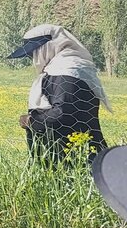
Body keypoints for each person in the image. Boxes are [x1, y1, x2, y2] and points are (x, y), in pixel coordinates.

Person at [9, 24, 109, 161]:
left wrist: (31, 121)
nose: (34, 58)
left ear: (48, 47)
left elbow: (63, 112)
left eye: (34, 52)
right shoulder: (70, 68)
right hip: (76, 151)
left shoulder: (65, 72)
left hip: (67, 158)